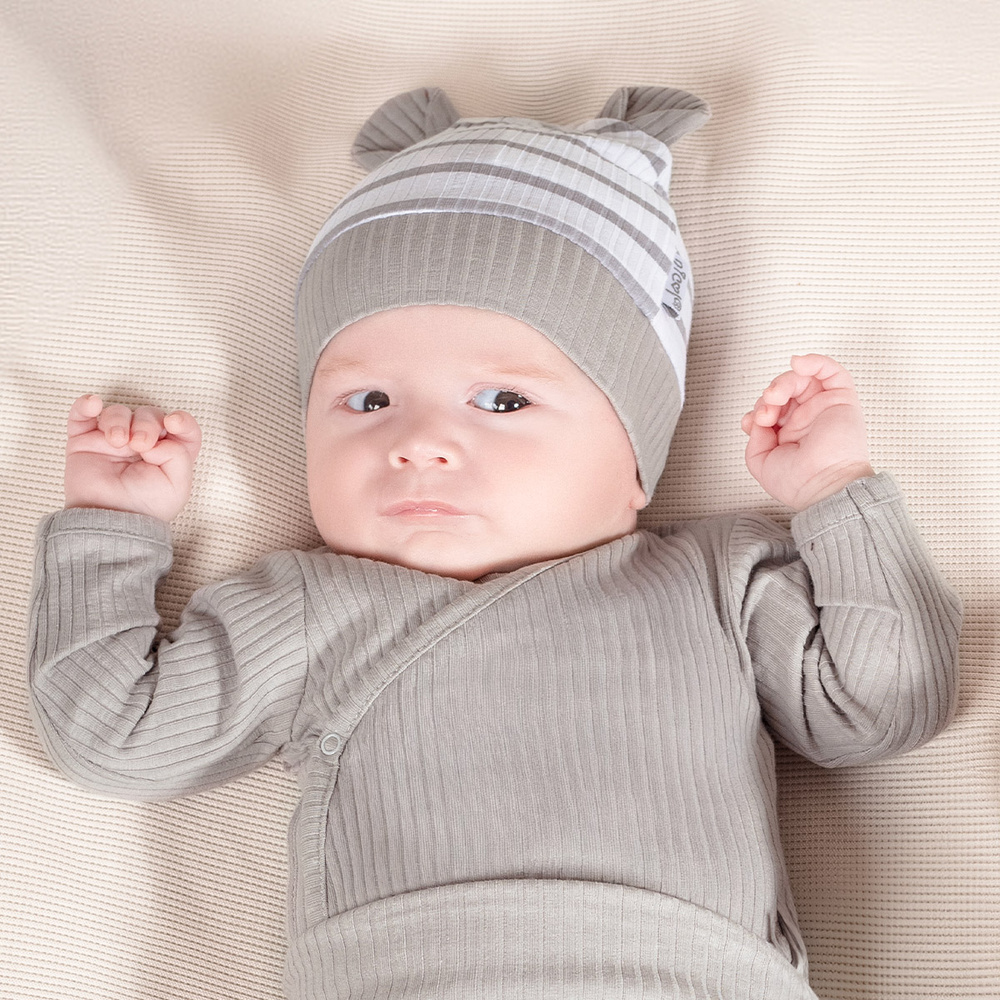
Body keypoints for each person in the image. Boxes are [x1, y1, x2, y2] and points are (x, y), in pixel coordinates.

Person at [28, 86, 961, 1000]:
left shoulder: (717, 582)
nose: (418, 442)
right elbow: (118, 737)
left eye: (503, 401)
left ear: (635, 456)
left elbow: (884, 706)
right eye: (367, 400)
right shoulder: (314, 610)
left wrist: (836, 495)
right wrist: (115, 527)